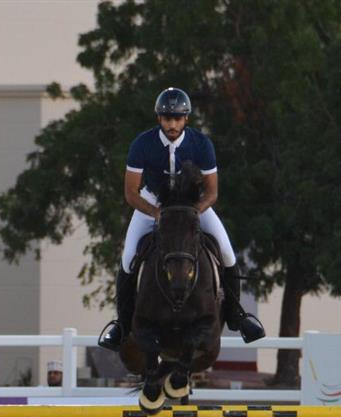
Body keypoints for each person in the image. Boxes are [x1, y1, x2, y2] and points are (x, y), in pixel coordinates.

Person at [98, 87, 265, 351]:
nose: (172, 124)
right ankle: (122, 325)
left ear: (186, 118)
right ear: (159, 119)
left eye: (177, 118)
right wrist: (156, 214)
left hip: (191, 205)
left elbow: (212, 192)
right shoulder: (143, 144)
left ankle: (237, 316)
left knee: (228, 252)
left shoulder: (201, 144)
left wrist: (193, 213)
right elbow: (130, 192)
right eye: (167, 118)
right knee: (129, 258)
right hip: (153, 201)